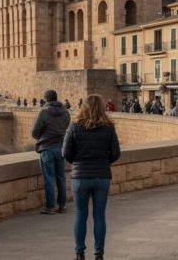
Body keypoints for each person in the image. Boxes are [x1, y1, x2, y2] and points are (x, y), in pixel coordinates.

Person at [62, 95, 121, 260]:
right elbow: (116, 153)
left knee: (80, 214)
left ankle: (80, 254)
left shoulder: (74, 127)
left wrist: (78, 163)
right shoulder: (109, 127)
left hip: (80, 176)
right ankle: (99, 254)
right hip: (102, 176)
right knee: (99, 216)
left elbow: (66, 153)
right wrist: (104, 162)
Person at [31, 89, 71, 215]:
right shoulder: (66, 112)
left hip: (47, 148)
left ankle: (50, 207)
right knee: (61, 177)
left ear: (46, 99)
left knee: (49, 178)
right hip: (61, 148)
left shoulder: (43, 113)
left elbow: (34, 132)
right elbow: (66, 127)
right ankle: (62, 206)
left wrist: (43, 137)